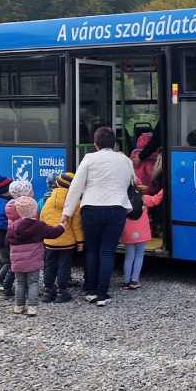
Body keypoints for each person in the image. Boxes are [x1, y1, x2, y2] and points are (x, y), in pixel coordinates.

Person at [62, 126, 134, 307]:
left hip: (91, 208)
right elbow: (132, 181)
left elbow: (76, 187)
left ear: (95, 144)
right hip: (117, 208)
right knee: (107, 251)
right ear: (114, 143)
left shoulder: (89, 159)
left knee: (92, 250)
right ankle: (102, 294)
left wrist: (67, 212)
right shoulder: (125, 160)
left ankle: (90, 291)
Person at [8, 196, 64, 317]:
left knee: (20, 282)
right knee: (33, 283)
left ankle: (18, 306)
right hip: (33, 262)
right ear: (34, 211)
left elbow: (6, 241)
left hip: (17, 262)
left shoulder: (13, 226)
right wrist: (62, 226)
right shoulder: (38, 226)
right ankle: (32, 308)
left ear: (18, 211)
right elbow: (53, 233)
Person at [39, 172, 83, 303]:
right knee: (64, 266)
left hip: (50, 241)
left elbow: (42, 219)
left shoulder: (48, 201)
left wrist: (42, 237)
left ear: (57, 184)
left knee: (49, 265)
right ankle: (62, 292)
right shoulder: (75, 203)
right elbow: (76, 225)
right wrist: (80, 241)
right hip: (67, 243)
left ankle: (48, 291)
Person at [120, 189, 163, 291]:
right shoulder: (145, 198)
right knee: (139, 256)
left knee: (129, 257)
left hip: (128, 231)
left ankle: (126, 282)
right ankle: (134, 281)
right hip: (142, 231)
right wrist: (164, 190)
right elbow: (156, 200)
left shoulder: (123, 199)